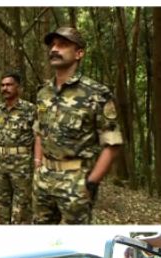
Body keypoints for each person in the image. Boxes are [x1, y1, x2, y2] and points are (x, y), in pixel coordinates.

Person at [33, 27, 122, 224]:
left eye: (63, 45)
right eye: (53, 45)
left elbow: (112, 144)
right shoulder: (43, 93)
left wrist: (91, 183)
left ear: (79, 53)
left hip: (76, 180)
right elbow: (39, 131)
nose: (55, 49)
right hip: (44, 178)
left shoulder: (96, 94)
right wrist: (38, 165)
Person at [0, 72, 36, 224]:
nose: (5, 88)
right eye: (3, 85)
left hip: (21, 164)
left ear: (18, 88)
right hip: (1, 163)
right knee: (2, 202)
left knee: (22, 205)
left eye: (9, 85)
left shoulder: (30, 109)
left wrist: (37, 161)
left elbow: (39, 136)